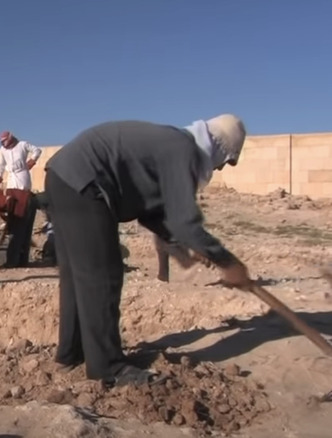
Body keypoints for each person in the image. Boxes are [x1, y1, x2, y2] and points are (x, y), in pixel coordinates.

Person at [44, 114, 253, 387]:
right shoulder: (184, 149)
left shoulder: (173, 143)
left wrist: (182, 247)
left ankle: (71, 354)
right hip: (84, 183)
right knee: (103, 276)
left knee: (77, 276)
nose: (222, 169)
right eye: (226, 162)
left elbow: (150, 211)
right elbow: (183, 221)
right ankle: (109, 367)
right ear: (222, 148)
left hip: (62, 177)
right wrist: (227, 261)